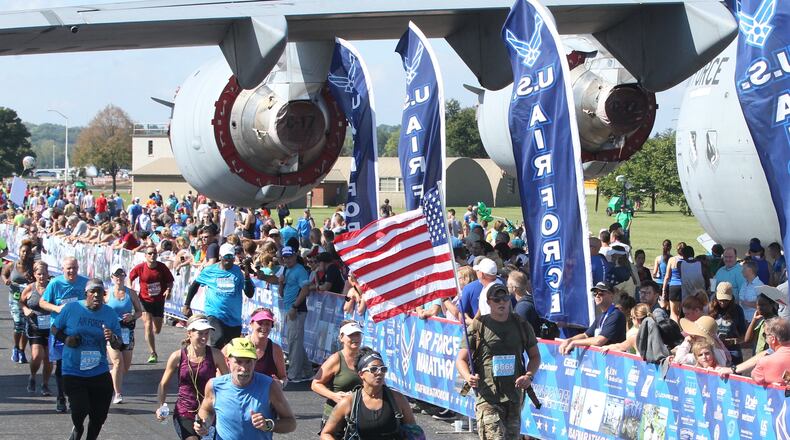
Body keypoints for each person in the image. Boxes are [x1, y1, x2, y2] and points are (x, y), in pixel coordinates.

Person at [456, 285, 540, 440]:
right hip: (488, 396)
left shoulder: (521, 325)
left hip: (513, 396)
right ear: (489, 302)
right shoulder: (479, 325)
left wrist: (528, 376)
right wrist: (468, 377)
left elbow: (535, 356)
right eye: (496, 299)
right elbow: (461, 359)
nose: (501, 302)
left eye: (505, 298)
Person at [52, 278, 123, 440]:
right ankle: (77, 428)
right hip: (73, 370)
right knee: (80, 409)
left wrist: (112, 338)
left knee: (99, 416)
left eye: (100, 292)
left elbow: (119, 344)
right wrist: (66, 339)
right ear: (86, 294)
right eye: (93, 291)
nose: (97, 295)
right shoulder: (72, 308)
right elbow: (54, 327)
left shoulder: (110, 313)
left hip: (98, 370)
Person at [194, 338, 296, 439]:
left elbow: (290, 423)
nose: (244, 368)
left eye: (248, 362)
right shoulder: (214, 386)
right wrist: (204, 424)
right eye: (238, 362)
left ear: (255, 362)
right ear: (227, 361)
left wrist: (268, 424)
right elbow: (207, 410)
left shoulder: (269, 386)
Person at [157, 314, 228, 440]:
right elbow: (163, 384)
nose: (204, 337)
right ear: (189, 333)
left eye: (206, 333)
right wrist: (161, 406)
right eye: (200, 333)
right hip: (185, 411)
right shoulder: (177, 356)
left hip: (209, 412)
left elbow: (229, 382)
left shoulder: (216, 355)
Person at [321, 347, 418, 440]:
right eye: (373, 369)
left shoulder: (398, 399)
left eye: (383, 369)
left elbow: (415, 433)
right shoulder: (348, 402)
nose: (379, 372)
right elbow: (326, 433)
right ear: (361, 374)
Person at [39, 256, 89, 413]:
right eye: (68, 268)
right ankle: (61, 396)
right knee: (61, 365)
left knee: (80, 364)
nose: (72, 271)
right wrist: (56, 308)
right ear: (63, 269)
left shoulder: (84, 282)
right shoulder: (55, 283)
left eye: (74, 268)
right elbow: (42, 302)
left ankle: (77, 396)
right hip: (60, 330)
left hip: (79, 330)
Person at [183, 243, 254, 349]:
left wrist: (247, 276)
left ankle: (221, 365)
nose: (229, 259)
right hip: (215, 314)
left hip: (233, 318)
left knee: (231, 349)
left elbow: (249, 293)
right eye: (226, 256)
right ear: (220, 257)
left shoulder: (238, 272)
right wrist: (187, 304)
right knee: (218, 339)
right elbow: (195, 285)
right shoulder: (209, 270)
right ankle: (212, 364)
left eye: (231, 256)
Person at [259, 245, 312, 381]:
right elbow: (280, 285)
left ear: (295, 256)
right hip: (291, 309)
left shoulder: (299, 270)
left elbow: (305, 289)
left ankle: (294, 375)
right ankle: (308, 372)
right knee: (296, 341)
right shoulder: (287, 269)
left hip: (296, 310)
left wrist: (295, 306)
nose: (287, 260)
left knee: (294, 342)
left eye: (289, 257)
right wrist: (265, 277)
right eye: (285, 257)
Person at [312, 320, 364, 426]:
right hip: (336, 415)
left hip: (361, 415)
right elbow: (315, 384)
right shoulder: (335, 359)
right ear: (341, 338)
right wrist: (334, 396)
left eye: (357, 334)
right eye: (351, 335)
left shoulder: (366, 357)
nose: (355, 338)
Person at [129, 245, 175, 363]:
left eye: (154, 253)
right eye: (149, 253)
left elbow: (170, 281)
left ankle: (154, 335)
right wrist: (130, 289)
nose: (152, 255)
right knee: (147, 325)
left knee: (157, 329)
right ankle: (153, 353)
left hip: (159, 301)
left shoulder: (162, 267)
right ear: (145, 256)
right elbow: (130, 277)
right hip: (145, 300)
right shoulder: (140, 268)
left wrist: (168, 290)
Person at [105, 265, 144, 404]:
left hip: (127, 332)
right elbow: (100, 311)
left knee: (125, 367)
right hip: (112, 332)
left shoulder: (131, 293)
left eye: (121, 275)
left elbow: (140, 311)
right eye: (116, 275)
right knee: (117, 362)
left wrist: (132, 316)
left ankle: (111, 376)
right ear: (112, 277)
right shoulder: (107, 294)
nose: (119, 278)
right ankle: (118, 394)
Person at [559, 282, 627, 354]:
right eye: (595, 294)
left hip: (614, 361)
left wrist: (574, 342)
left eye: (601, 293)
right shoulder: (601, 316)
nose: (597, 296)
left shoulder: (616, 315)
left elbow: (599, 341)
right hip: (602, 359)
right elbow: (585, 335)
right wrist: (569, 340)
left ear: (611, 295)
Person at [18, 260, 52, 395]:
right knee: (37, 355)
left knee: (49, 358)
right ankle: (32, 376)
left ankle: (45, 384)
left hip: (50, 327)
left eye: (44, 274)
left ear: (48, 274)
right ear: (35, 274)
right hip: (34, 327)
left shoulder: (52, 287)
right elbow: (21, 302)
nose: (42, 277)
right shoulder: (30, 288)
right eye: (39, 274)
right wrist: (25, 309)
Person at [3, 240, 35, 364]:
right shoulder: (13, 265)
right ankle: (16, 348)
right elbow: (4, 274)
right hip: (15, 299)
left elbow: (39, 278)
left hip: (28, 300)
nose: (25, 254)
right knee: (18, 325)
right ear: (19, 252)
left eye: (27, 252)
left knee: (26, 327)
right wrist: (6, 280)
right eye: (23, 251)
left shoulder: (32, 266)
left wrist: (32, 279)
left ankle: (22, 351)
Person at [709, 282, 746, 365]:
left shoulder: (737, 310)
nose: (722, 302)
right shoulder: (710, 309)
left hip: (732, 349)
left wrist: (735, 340)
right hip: (715, 348)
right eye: (720, 300)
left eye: (726, 300)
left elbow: (743, 333)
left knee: (735, 374)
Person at [246, 308, 286, 383]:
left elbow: (283, 377)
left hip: (267, 393)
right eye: (260, 323)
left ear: (271, 326)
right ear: (251, 324)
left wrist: (280, 383)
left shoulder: (276, 349)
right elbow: (222, 373)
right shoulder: (238, 345)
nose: (264, 327)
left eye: (267, 324)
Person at [751, 317, 790, 386]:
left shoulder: (765, 361)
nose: (765, 338)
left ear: (773, 339)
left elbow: (756, 378)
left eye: (765, 335)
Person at [507, 270, 540, 335]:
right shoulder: (532, 299)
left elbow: (520, 332)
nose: (506, 286)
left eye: (508, 284)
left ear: (514, 288)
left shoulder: (522, 307)